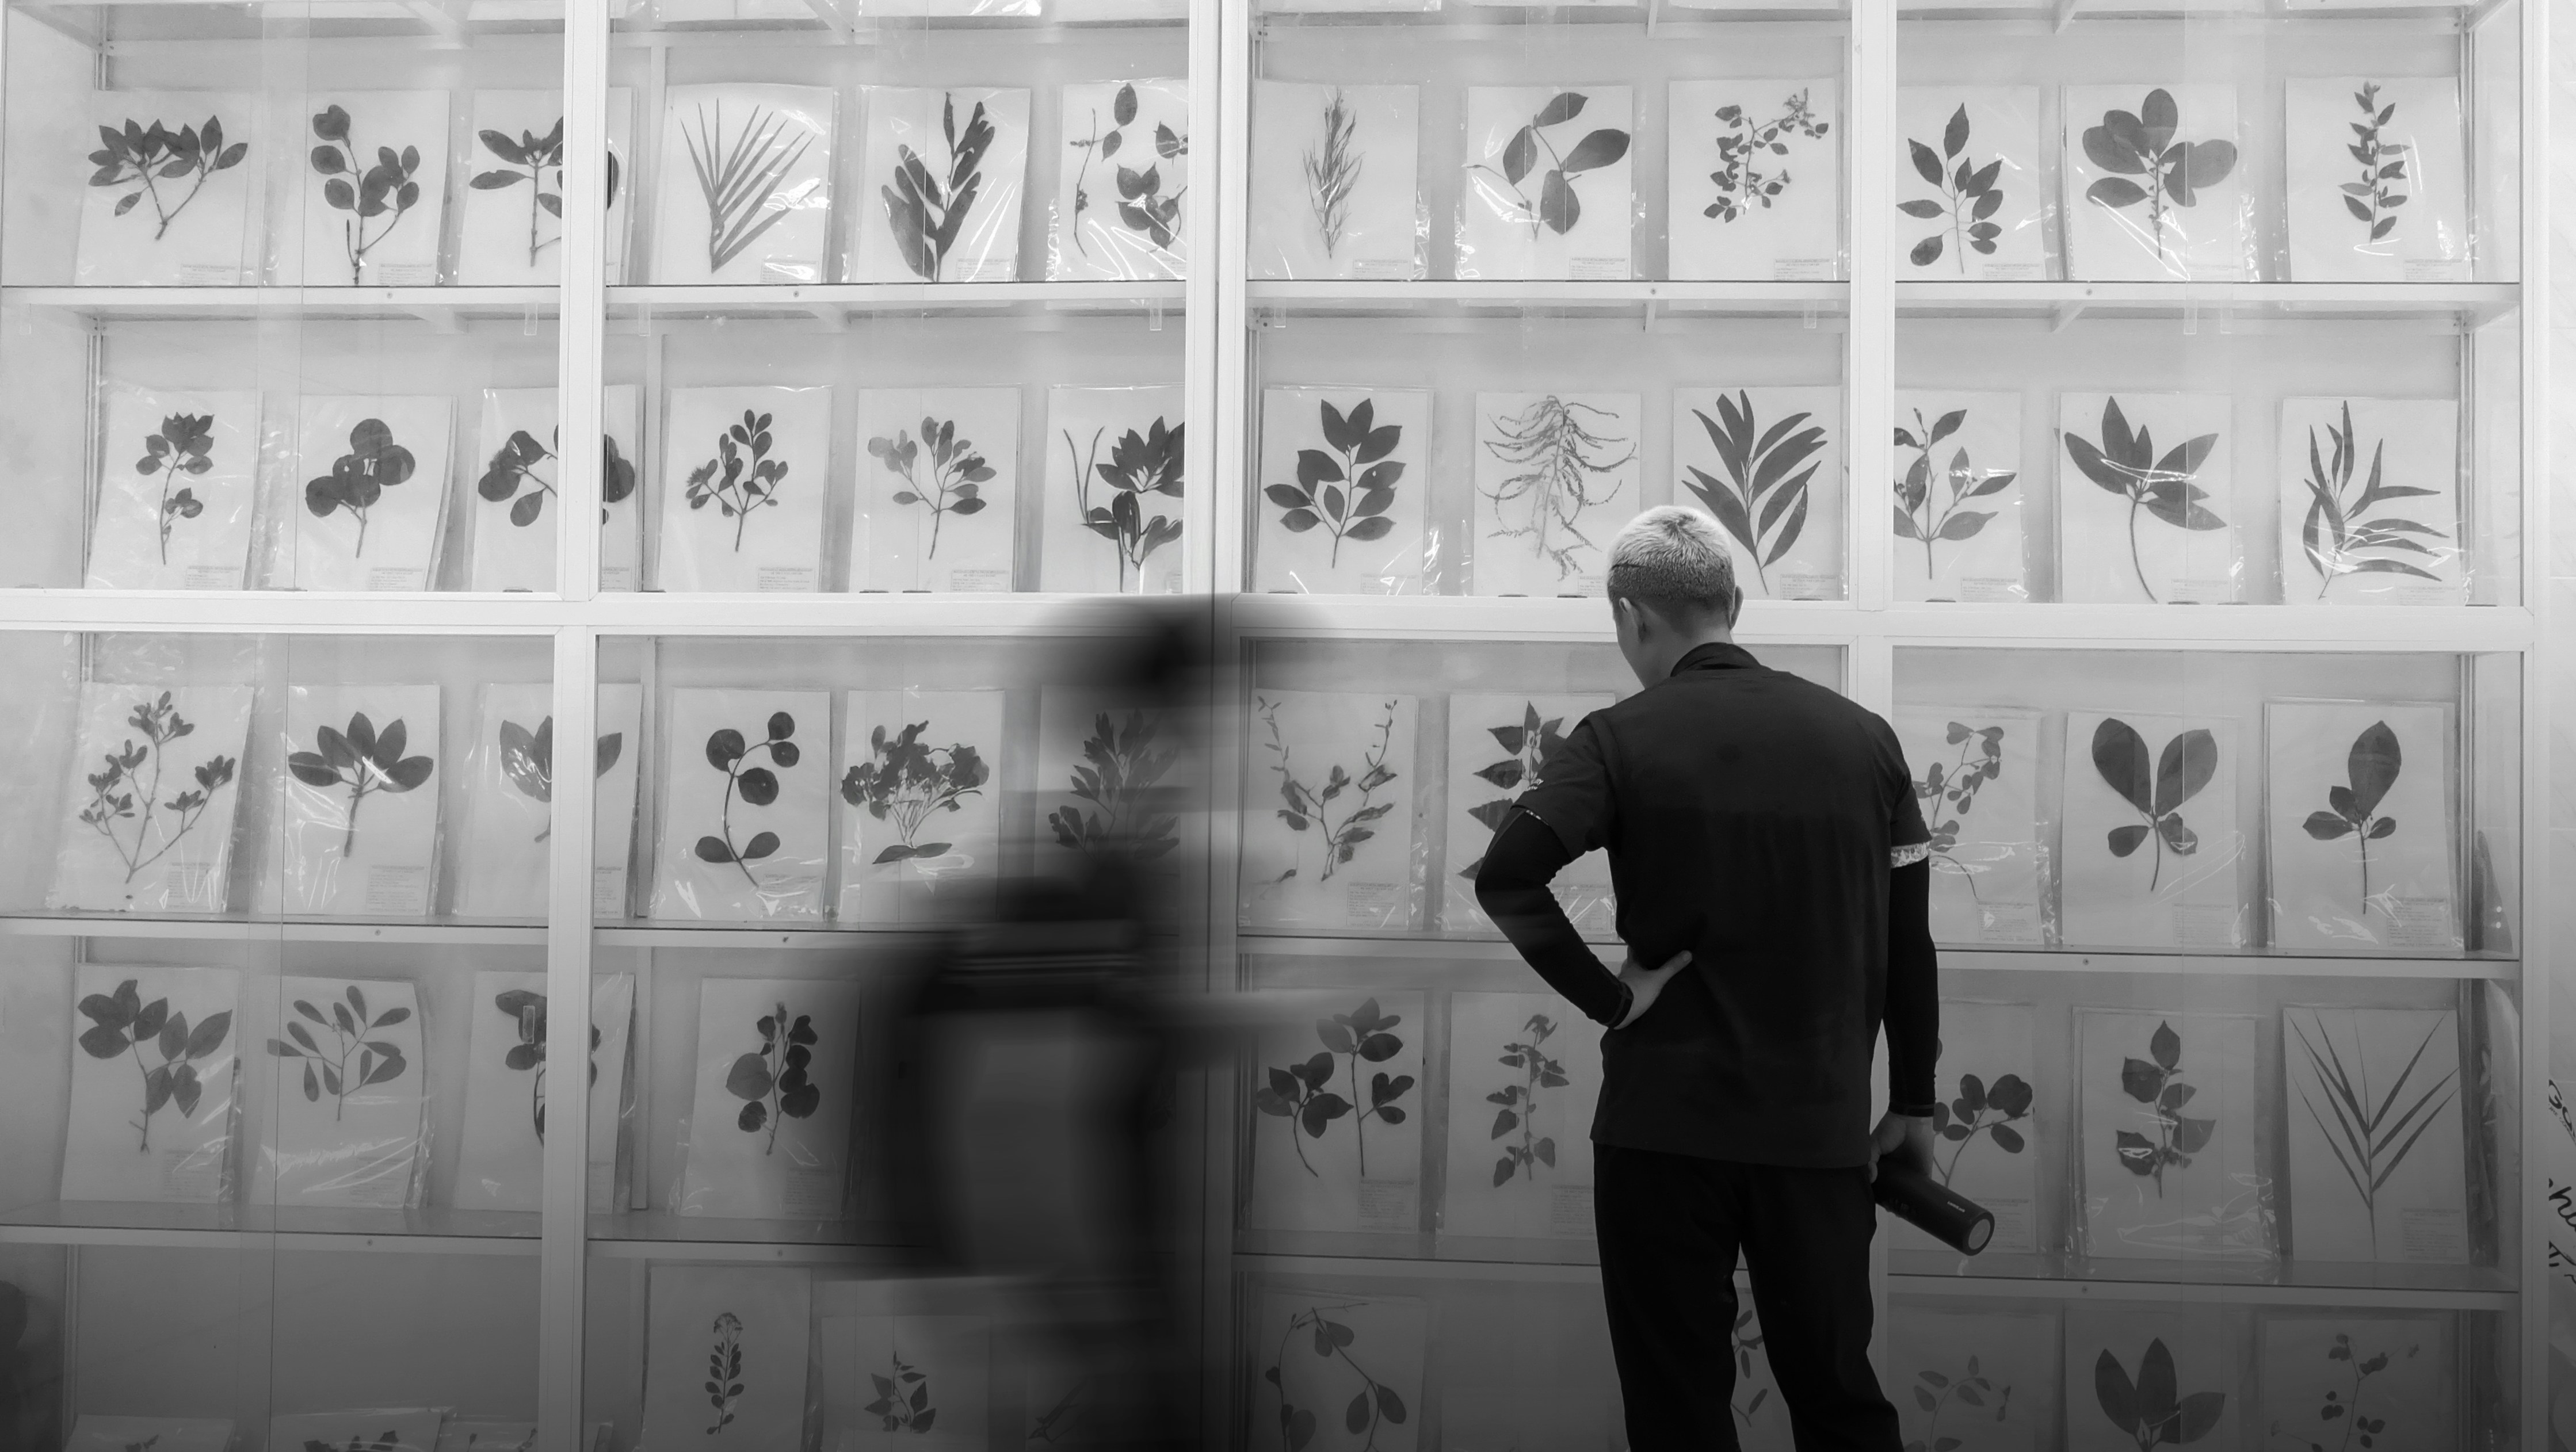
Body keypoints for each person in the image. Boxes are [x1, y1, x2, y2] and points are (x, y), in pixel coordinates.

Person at [1472, 505, 1940, 1450]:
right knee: (1840, 1401)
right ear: (1734, 602)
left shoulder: (1616, 738)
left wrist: (1612, 998)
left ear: (1628, 614)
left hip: (1661, 1134)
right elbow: (1910, 939)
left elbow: (1506, 877)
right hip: (1813, 1134)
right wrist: (1915, 1104)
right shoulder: (1865, 741)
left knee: (1676, 1409)